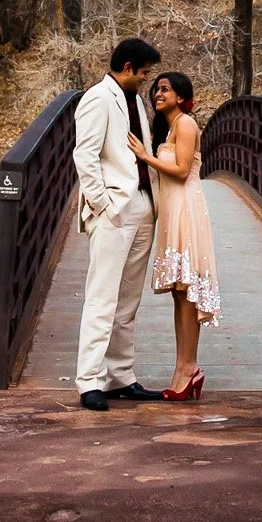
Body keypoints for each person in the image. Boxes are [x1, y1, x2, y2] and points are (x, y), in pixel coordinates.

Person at [71, 36, 165, 411]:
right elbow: (85, 155)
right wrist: (103, 204)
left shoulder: (134, 101)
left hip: (143, 206)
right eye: (143, 75)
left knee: (127, 301)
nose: (146, 81)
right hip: (115, 211)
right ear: (127, 68)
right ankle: (89, 381)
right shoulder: (96, 98)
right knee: (102, 297)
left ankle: (120, 376)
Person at [130, 70, 220, 400]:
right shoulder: (168, 128)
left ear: (181, 96)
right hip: (171, 213)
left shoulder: (185, 123)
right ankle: (184, 366)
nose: (158, 93)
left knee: (187, 294)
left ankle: (189, 367)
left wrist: (146, 157)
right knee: (178, 295)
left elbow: (182, 171)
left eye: (165, 89)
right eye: (156, 89)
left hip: (186, 211)